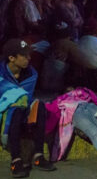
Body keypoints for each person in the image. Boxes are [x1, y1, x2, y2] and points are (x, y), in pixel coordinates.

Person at [0, 39, 55, 177]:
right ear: (12, 58)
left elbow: (26, 98)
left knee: (40, 106)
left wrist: (18, 99)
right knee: (16, 109)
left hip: (23, 109)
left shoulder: (31, 74)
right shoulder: (1, 73)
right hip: (5, 111)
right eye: (24, 55)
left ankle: (38, 155)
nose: (29, 58)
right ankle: (16, 160)